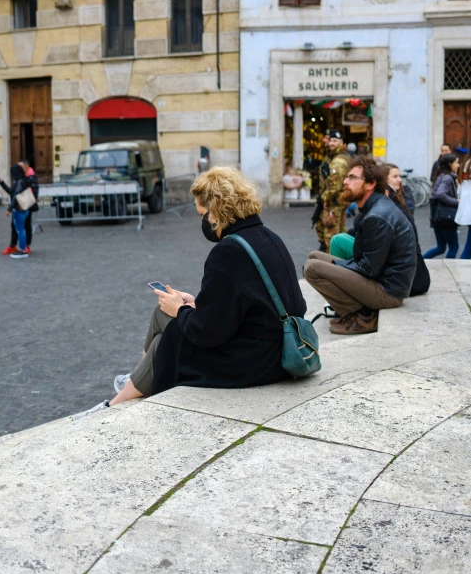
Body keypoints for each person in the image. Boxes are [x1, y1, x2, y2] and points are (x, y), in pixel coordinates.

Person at [76, 166, 307, 416]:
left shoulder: (228, 251)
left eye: (202, 214)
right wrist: (195, 306)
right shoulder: (269, 236)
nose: (202, 222)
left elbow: (207, 332)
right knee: (162, 313)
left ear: (217, 209)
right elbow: (258, 304)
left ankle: (114, 406)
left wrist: (182, 310)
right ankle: (136, 379)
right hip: (275, 348)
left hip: (255, 361)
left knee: (169, 339)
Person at [304, 156, 417, 335]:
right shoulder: (375, 208)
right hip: (382, 281)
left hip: (388, 292)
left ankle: (363, 316)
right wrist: (336, 266)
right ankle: (356, 310)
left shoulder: (377, 216)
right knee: (314, 257)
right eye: (346, 177)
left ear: (370, 184)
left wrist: (336, 266)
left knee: (312, 268)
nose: (345, 182)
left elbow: (368, 269)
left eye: (352, 178)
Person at [314, 129, 350, 253]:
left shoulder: (338, 161)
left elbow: (334, 186)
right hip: (340, 201)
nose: (331, 143)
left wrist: (325, 198)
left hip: (334, 202)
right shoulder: (337, 156)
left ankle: (332, 262)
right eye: (330, 140)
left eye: (335, 141)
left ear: (341, 142)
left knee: (331, 235)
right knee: (341, 231)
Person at [424, 154, 460, 260]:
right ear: (450, 164)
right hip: (446, 218)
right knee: (454, 247)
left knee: (440, 248)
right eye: (457, 162)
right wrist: (456, 201)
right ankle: (449, 269)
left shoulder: (441, 176)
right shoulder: (448, 178)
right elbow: (440, 194)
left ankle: (419, 262)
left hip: (437, 217)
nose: (458, 165)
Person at [0, 160, 39, 255]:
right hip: (17, 206)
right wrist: (2, 184)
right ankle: (13, 246)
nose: (19, 169)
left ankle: (26, 246)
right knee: (15, 226)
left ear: (26, 167)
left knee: (26, 226)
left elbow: (32, 194)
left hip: (26, 206)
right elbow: (13, 192)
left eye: (21, 167)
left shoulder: (30, 178)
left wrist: (10, 208)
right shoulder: (18, 179)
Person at [456, 146, 471, 259]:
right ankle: (462, 263)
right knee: (470, 243)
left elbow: (460, 187)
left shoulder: (466, 162)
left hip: (467, 204)